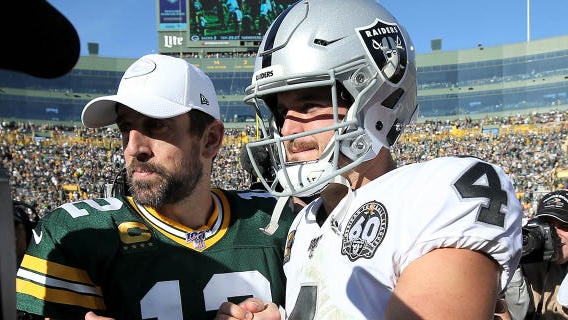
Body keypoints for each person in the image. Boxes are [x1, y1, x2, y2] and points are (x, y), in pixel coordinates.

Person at [216, 0, 523, 318]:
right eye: (281, 114)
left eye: (308, 105)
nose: (288, 130)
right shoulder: (305, 223)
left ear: (376, 99)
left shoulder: (436, 196)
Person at [15, 54, 294, 319]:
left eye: (156, 126)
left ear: (210, 140)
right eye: (126, 129)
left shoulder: (279, 218)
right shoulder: (79, 234)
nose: (133, 148)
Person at [502, 189, 568, 319]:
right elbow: (517, 315)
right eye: (547, 226)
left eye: (564, 225)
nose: (555, 234)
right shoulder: (530, 260)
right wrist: (513, 266)